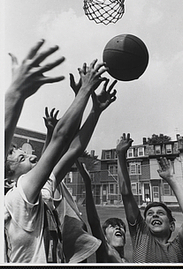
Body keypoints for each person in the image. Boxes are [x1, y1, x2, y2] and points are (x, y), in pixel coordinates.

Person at [4, 37, 108, 263]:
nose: (32, 155)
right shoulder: (18, 196)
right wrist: (85, 90)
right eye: (22, 158)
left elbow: (73, 149)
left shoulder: (41, 191)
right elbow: (60, 139)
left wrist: (95, 111)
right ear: (7, 180)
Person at [40, 78, 118, 263]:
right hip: (64, 254)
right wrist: (85, 99)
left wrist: (83, 100)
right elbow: (69, 145)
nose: (34, 158)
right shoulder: (35, 191)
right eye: (22, 156)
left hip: (68, 253)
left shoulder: (46, 186)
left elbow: (65, 145)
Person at [116, 133, 183, 263]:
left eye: (160, 213)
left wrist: (171, 179)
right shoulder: (141, 237)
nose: (155, 216)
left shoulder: (179, 247)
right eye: (150, 214)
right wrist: (120, 155)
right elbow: (126, 193)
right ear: (144, 224)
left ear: (172, 225)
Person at [77, 161, 128, 263]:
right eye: (112, 226)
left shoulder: (125, 260)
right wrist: (88, 183)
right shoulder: (107, 252)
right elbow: (94, 223)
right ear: (104, 237)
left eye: (121, 226)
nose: (118, 227)